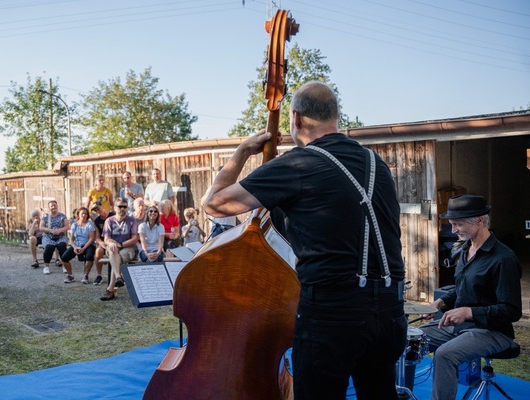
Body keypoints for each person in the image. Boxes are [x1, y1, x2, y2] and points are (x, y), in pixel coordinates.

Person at [202, 81, 406, 400]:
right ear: (336, 117)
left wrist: (242, 151)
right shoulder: (375, 163)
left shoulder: (298, 163)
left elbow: (214, 204)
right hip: (391, 312)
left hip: (332, 314)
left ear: (296, 118)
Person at [418, 194, 522, 400]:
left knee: (445, 354)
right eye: (452, 224)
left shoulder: (504, 259)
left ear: (480, 221)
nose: (453, 230)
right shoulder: (465, 249)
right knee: (410, 337)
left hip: (493, 331)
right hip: (462, 329)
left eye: (458, 224)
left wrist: (468, 312)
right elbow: (463, 287)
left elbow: (511, 310)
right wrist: (442, 302)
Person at [99, 199, 139, 301]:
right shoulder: (109, 221)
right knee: (113, 250)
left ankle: (111, 288)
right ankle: (118, 277)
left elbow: (135, 238)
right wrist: (112, 243)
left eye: (125, 207)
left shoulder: (132, 220)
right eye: (120, 206)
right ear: (115, 207)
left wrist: (121, 244)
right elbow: (106, 239)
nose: (122, 209)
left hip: (128, 248)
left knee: (117, 258)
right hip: (113, 248)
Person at [62, 207, 96, 283]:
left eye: (85, 214)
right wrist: (74, 247)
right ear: (78, 215)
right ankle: (70, 275)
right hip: (76, 244)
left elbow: (91, 238)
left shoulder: (90, 224)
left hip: (88, 244)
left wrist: (84, 248)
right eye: (82, 213)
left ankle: (86, 275)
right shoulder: (74, 225)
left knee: (89, 257)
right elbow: (71, 239)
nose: (84, 215)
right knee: (64, 258)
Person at [38, 199, 71, 280]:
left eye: (54, 205)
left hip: (60, 236)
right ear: (49, 208)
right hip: (48, 236)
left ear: (57, 206)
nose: (53, 207)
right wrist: (50, 230)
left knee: (62, 246)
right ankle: (46, 267)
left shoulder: (62, 216)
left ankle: (64, 265)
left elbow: (67, 226)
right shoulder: (45, 216)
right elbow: (41, 227)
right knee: (49, 247)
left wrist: (60, 230)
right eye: (51, 206)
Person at [89, 203, 114, 286]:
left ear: (103, 207)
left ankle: (119, 275)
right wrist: (101, 243)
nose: (97, 211)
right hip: (104, 243)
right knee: (98, 251)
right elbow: (97, 237)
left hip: (114, 241)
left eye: (98, 208)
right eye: (95, 210)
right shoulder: (97, 221)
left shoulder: (113, 215)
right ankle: (99, 275)